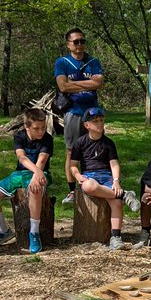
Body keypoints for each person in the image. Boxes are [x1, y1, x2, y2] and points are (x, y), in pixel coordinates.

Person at [0, 108, 53, 254]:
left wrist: (36, 175)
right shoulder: (19, 136)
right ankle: (3, 231)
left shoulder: (47, 138)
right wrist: (37, 171)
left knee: (35, 189)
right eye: (36, 128)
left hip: (42, 173)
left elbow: (42, 161)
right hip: (21, 174)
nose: (41, 131)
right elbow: (21, 157)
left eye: (43, 127)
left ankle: (34, 232)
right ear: (26, 126)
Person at [69, 107, 140, 250]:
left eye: (101, 120)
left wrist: (116, 181)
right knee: (89, 187)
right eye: (95, 121)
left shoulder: (108, 143)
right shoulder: (80, 143)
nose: (100, 123)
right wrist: (77, 175)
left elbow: (114, 164)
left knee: (116, 203)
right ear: (87, 125)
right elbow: (73, 165)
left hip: (107, 176)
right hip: (90, 176)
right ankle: (125, 195)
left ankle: (116, 237)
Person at [54, 28, 103, 205]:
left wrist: (73, 83)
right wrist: (88, 84)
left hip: (93, 112)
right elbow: (63, 86)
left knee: (94, 149)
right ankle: (72, 190)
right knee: (71, 151)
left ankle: (93, 185)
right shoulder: (62, 62)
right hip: (73, 112)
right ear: (68, 44)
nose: (80, 44)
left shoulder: (93, 62)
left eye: (82, 41)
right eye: (76, 41)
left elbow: (99, 83)